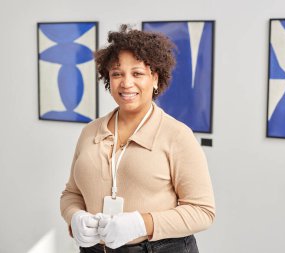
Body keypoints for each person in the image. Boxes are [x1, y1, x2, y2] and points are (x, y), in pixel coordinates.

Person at [60, 24, 215, 253]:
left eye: (137, 73)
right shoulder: (90, 132)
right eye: (117, 74)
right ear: (107, 79)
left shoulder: (177, 135)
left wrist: (142, 223)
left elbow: (203, 211)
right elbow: (71, 193)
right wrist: (74, 217)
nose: (126, 83)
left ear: (154, 78)